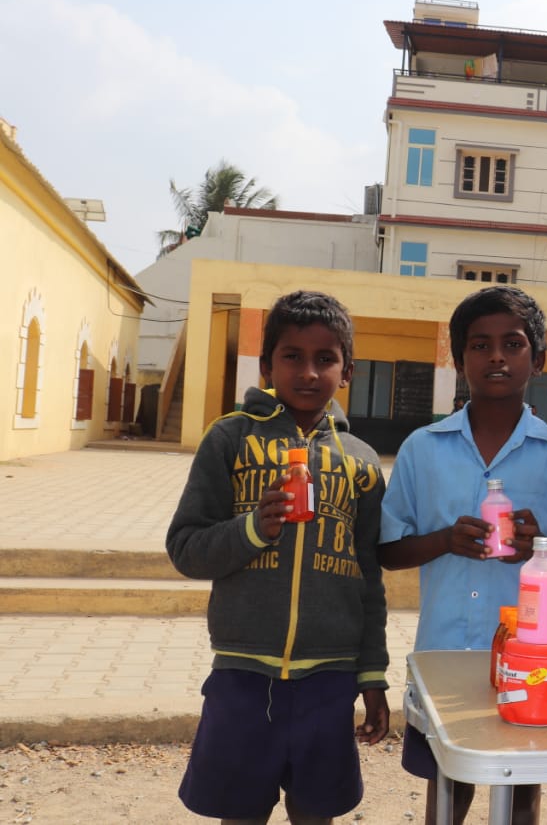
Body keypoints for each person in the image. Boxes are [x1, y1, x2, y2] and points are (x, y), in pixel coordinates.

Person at [167, 290, 389, 825]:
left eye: (325, 359)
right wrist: (252, 529)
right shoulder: (231, 437)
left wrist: (373, 675)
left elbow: (369, 575)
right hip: (244, 674)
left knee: (316, 812)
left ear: (348, 369)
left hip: (329, 679)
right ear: (267, 365)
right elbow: (186, 548)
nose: (308, 372)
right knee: (239, 812)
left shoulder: (360, 461)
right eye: (292, 356)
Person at [380, 285, 547, 825]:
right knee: (447, 787)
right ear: (459, 360)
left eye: (513, 344)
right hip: (444, 653)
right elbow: (387, 549)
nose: (496, 356)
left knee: (523, 786)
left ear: (538, 360)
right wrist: (443, 540)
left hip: (532, 656)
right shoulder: (422, 448)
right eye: (479, 345)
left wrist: (538, 546)